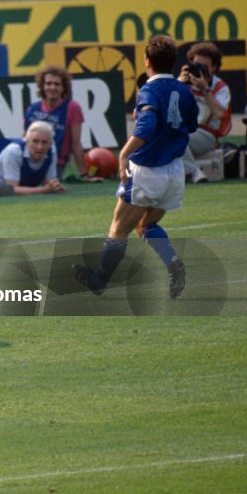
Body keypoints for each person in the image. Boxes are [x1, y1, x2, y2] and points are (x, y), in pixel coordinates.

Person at [73, 36, 199, 299]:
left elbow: (148, 126)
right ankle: (173, 262)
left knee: (119, 228)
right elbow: (191, 125)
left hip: (146, 170)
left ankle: (98, 281)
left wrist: (123, 154)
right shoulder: (185, 91)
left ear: (147, 61)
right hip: (175, 171)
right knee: (145, 226)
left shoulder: (149, 90)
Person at [24, 64, 99, 180]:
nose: (52, 87)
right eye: (48, 83)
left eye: (57, 84)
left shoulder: (72, 108)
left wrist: (84, 175)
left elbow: (76, 143)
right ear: (42, 86)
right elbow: (25, 139)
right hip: (30, 163)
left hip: (56, 164)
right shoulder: (33, 109)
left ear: (64, 87)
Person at [179, 42, 233, 183]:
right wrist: (178, 86)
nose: (200, 70)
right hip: (185, 130)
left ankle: (193, 172)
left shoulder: (220, 88)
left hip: (207, 134)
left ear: (214, 67)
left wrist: (205, 90)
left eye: (205, 67)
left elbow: (220, 114)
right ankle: (192, 171)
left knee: (176, 135)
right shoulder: (184, 83)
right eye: (196, 65)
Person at [0, 121, 65, 194]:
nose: (39, 147)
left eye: (44, 142)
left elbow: (49, 182)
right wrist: (44, 190)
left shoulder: (52, 150)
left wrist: (55, 186)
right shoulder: (14, 151)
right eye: (35, 141)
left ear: (50, 143)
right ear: (27, 141)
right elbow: (12, 189)